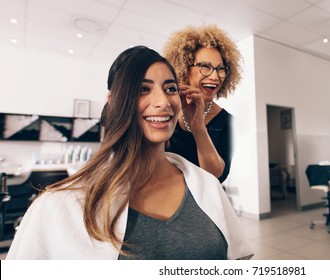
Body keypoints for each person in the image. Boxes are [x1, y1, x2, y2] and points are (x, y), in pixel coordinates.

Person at [6, 46, 253, 260]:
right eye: (143, 89)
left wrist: (198, 126)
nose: (163, 102)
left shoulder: (207, 186)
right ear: (113, 101)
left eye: (170, 89)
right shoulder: (59, 205)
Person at [163, 24, 242, 183]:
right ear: (184, 68)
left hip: (205, 203)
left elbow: (217, 176)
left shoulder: (227, 122)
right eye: (205, 66)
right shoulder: (165, 109)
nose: (215, 77)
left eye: (220, 69)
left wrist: (198, 127)